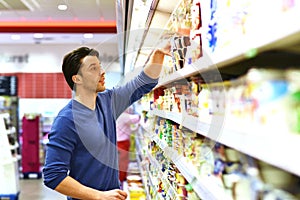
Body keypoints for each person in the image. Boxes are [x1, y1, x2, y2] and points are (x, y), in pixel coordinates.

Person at [42, 44, 170, 200]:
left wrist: (158, 53)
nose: (102, 72)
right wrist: (99, 196)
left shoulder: (108, 101)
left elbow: (143, 83)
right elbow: (53, 175)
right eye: (93, 69)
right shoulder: (67, 120)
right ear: (77, 79)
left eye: (100, 67)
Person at [116, 106, 140, 185]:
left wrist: (136, 128)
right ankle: (121, 181)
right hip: (122, 143)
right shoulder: (124, 116)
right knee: (123, 162)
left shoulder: (118, 115)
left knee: (120, 162)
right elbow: (137, 118)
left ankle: (119, 179)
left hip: (118, 141)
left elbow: (128, 129)